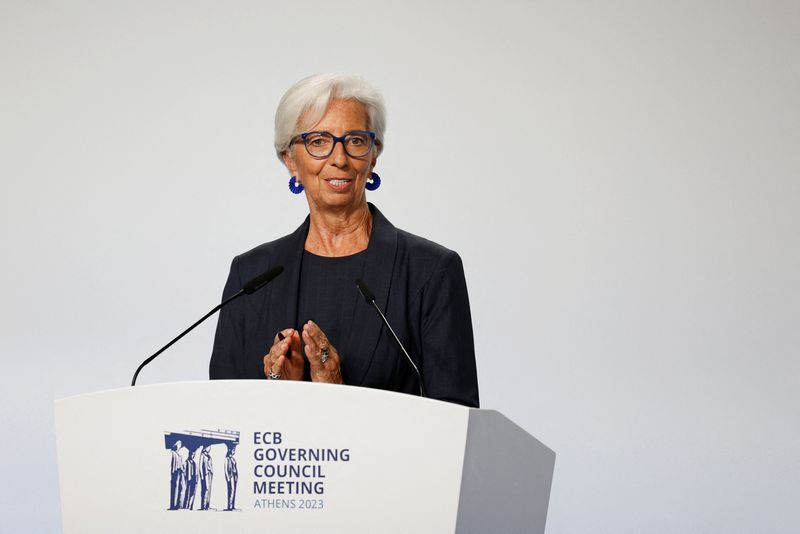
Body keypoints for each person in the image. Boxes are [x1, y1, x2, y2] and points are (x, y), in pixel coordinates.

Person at [209, 74, 479, 407]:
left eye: (355, 140)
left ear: (373, 155)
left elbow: (457, 422)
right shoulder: (250, 276)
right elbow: (220, 413)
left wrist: (339, 393)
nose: (339, 158)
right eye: (319, 141)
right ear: (290, 160)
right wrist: (278, 389)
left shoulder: (430, 271)